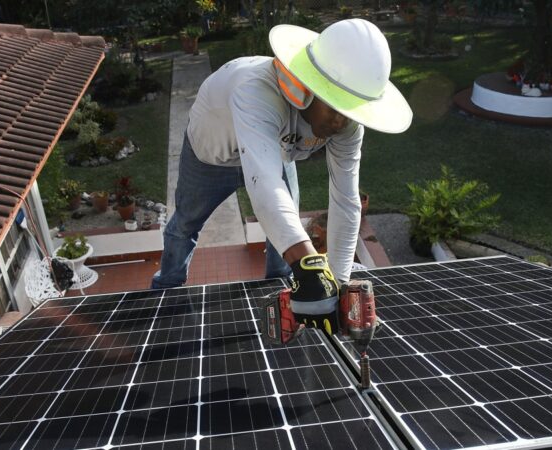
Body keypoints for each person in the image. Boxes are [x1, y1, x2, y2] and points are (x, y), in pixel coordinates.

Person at [152, 19, 412, 333]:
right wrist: (310, 265)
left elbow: (346, 199)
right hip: (212, 157)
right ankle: (165, 290)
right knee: (186, 224)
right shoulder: (255, 89)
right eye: (335, 106)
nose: (342, 122)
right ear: (307, 86)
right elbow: (264, 183)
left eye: (351, 110)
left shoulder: (347, 124)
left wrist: (338, 283)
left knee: (286, 231)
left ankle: (280, 290)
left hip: (275, 153)